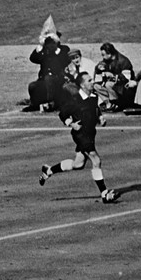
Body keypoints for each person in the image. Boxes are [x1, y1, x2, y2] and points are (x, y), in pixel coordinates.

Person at [38, 72, 118, 204]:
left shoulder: (93, 97)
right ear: (82, 85)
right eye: (89, 80)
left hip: (90, 134)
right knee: (96, 160)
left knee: (78, 164)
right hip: (81, 135)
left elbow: (95, 109)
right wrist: (71, 124)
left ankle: (49, 170)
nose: (92, 82)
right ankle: (104, 193)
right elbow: (63, 113)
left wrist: (100, 117)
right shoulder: (74, 99)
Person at [23, 33, 71, 112]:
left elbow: (65, 60)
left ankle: (51, 103)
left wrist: (56, 50)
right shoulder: (45, 51)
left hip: (59, 78)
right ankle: (34, 104)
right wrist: (40, 47)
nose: (50, 45)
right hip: (44, 79)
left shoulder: (63, 49)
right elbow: (33, 58)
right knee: (33, 86)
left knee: (49, 79)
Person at [93, 42, 136, 111]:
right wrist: (99, 67)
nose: (103, 57)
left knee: (108, 84)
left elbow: (127, 78)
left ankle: (116, 103)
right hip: (113, 86)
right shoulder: (107, 60)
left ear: (109, 53)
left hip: (123, 87)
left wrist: (113, 76)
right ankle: (109, 103)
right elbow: (99, 68)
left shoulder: (124, 61)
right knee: (95, 86)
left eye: (103, 55)